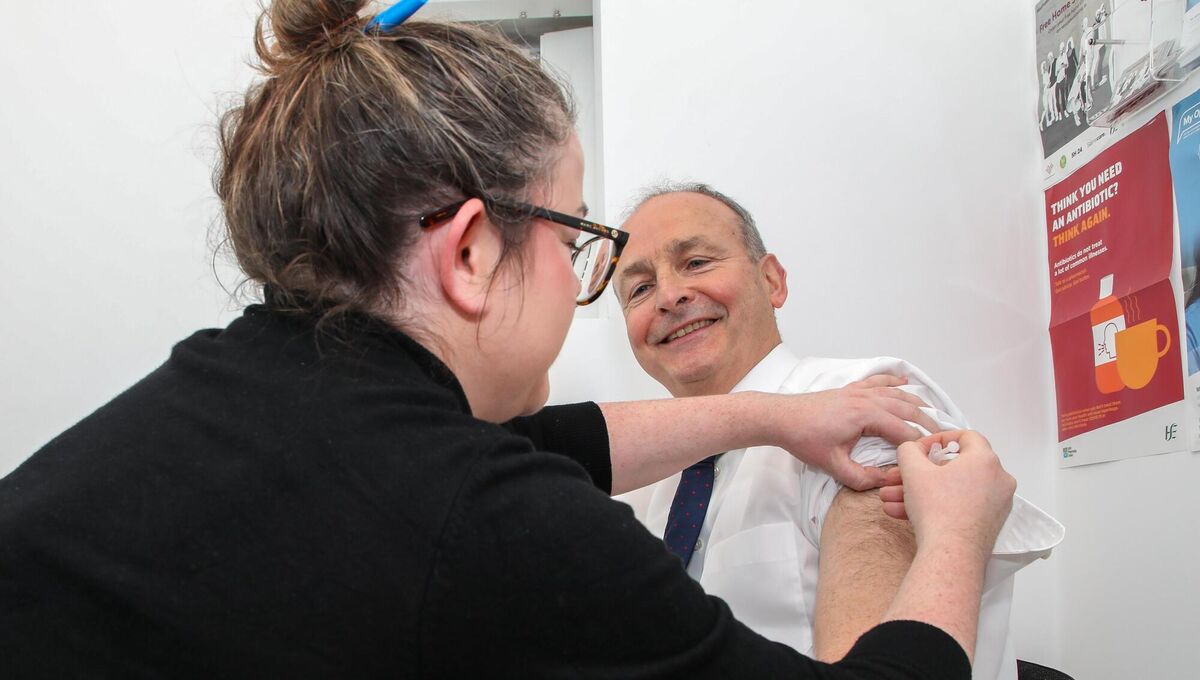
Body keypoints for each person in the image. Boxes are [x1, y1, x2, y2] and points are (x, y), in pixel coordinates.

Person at [0, 1, 1017, 677]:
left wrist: (780, 417)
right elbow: (494, 491)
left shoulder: (259, 388)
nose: (639, 292)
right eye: (587, 242)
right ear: (475, 252)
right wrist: (958, 533)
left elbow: (547, 445)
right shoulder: (474, 518)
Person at [612, 183, 1063, 679]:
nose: (669, 296)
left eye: (696, 262)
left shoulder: (866, 401)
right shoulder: (647, 485)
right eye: (639, 289)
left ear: (772, 281)